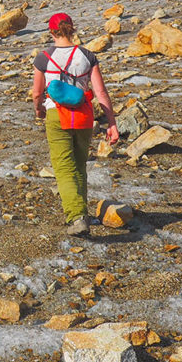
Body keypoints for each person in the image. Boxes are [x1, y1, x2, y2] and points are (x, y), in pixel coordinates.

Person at [32, 12, 119, 236]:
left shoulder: (44, 58)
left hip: (56, 115)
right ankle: (83, 212)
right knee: (79, 165)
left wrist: (39, 109)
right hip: (83, 116)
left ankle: (76, 216)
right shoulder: (87, 55)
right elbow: (100, 92)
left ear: (52, 31)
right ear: (72, 29)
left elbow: (37, 92)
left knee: (63, 168)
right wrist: (111, 123)